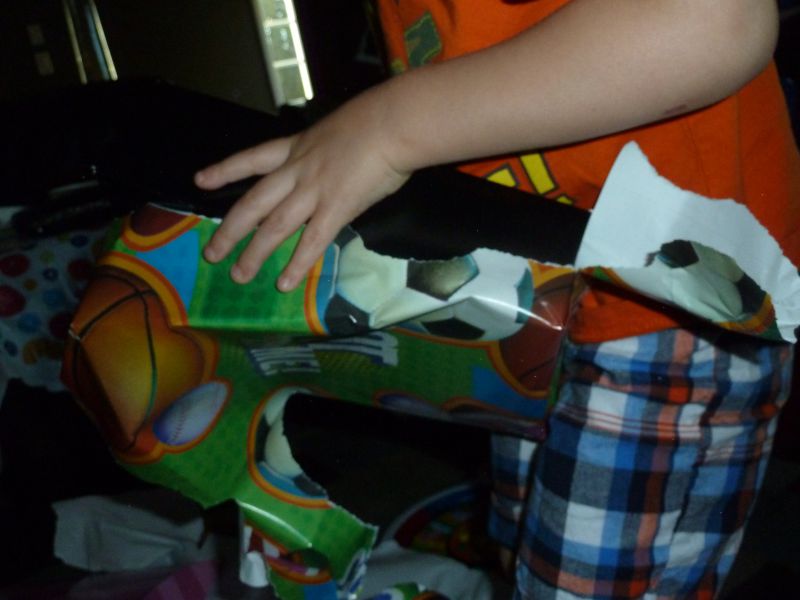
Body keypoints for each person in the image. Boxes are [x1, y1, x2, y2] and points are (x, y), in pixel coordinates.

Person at [196, 1, 800, 597]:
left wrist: (386, 130)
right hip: (539, 278)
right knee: (525, 542)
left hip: (681, 301)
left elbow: (712, 18)